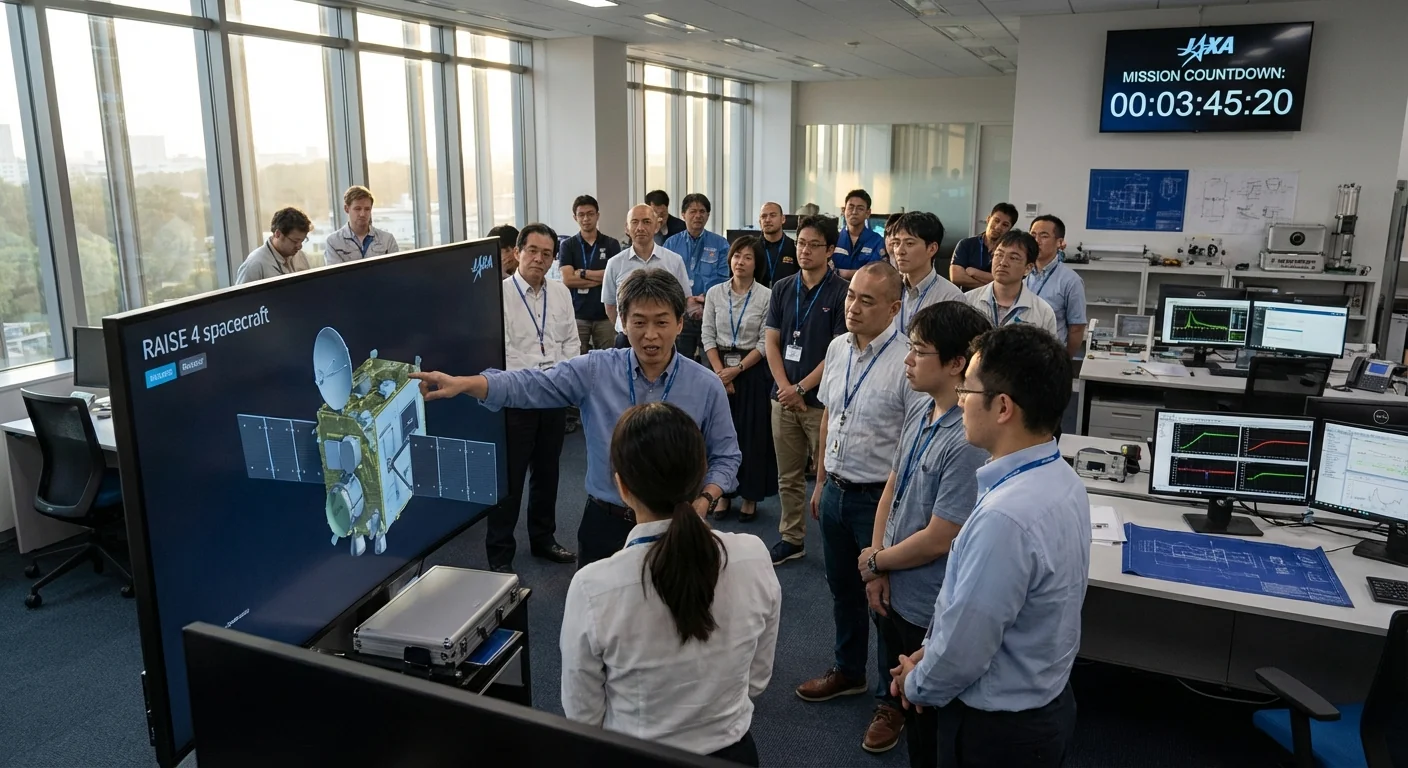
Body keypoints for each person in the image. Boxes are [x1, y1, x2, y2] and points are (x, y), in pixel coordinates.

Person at [410, 268, 741, 567]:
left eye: (662, 322)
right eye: (639, 322)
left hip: (677, 524)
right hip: (606, 521)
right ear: (623, 322)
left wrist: (705, 499)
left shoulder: (706, 385)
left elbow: (726, 455)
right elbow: (530, 385)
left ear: (680, 324)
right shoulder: (596, 370)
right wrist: (467, 384)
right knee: (596, 609)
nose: (650, 334)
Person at [890, 324, 1089, 768]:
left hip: (998, 731)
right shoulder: (1061, 477)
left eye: (967, 389)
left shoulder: (1005, 518)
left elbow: (966, 651)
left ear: (1002, 407)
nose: (960, 400)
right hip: (1043, 706)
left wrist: (915, 683)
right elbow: (975, 620)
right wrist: (931, 654)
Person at [560, 401, 781, 765]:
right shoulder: (754, 556)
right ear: (703, 474)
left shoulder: (593, 586)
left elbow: (583, 714)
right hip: (735, 754)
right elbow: (756, 680)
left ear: (621, 486)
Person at [858, 302, 993, 768]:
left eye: (920, 350)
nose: (908, 359)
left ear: (957, 363)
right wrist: (877, 561)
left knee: (930, 725)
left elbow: (940, 537)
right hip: (893, 581)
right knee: (902, 693)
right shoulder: (920, 408)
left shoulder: (968, 438)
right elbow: (892, 486)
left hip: (928, 604)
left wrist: (876, 562)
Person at [796, 261, 914, 756]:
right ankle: (849, 671)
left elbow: (911, 447)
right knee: (842, 588)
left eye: (867, 300)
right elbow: (829, 416)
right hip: (837, 491)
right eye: (851, 297)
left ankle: (893, 700)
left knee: (885, 603)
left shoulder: (908, 361)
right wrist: (821, 480)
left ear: (893, 307)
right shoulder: (838, 348)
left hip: (878, 500)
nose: (854, 307)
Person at [485, 223, 579, 572]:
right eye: (533, 251)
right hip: (517, 398)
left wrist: (559, 379)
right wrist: (534, 379)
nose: (539, 258)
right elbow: (502, 350)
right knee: (509, 481)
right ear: (517, 252)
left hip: (553, 396)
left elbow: (570, 342)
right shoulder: (499, 294)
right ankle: (500, 555)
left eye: (547, 253)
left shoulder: (561, 293)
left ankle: (543, 538)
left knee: (547, 472)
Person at [763, 214, 849, 566]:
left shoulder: (842, 292)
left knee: (829, 477)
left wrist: (800, 388)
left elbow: (838, 350)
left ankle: (835, 544)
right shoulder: (783, 287)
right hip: (783, 398)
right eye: (801, 243)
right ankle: (792, 537)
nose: (805, 250)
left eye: (814, 245)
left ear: (830, 250)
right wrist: (786, 388)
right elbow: (771, 341)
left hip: (820, 402)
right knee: (788, 476)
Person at [701, 237, 776, 523]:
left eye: (747, 257)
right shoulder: (715, 293)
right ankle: (722, 493)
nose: (740, 262)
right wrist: (722, 373)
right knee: (719, 435)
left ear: (757, 264)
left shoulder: (766, 296)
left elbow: (764, 342)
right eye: (736, 256)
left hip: (751, 370)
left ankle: (749, 496)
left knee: (752, 436)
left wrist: (737, 370)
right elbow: (707, 335)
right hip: (718, 369)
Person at [601, 204, 692, 349]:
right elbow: (610, 306)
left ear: (657, 226)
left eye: (646, 222)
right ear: (627, 228)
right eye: (634, 222)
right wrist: (629, 327)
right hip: (626, 339)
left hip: (664, 336)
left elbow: (684, 300)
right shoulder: (615, 263)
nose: (640, 228)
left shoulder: (674, 261)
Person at [665, 193, 731, 360]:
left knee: (711, 364)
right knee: (679, 361)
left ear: (708, 215)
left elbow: (723, 277)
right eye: (693, 211)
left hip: (710, 312)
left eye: (702, 211)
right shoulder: (671, 244)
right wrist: (686, 301)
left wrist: (704, 299)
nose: (698, 216)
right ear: (683, 214)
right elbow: (665, 278)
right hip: (680, 312)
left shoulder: (721, 244)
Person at [559, 194, 623, 354]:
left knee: (607, 359)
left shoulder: (611, 244)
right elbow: (567, 279)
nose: (586, 219)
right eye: (581, 215)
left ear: (597, 215)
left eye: (590, 214)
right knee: (576, 359)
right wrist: (602, 278)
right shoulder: (568, 245)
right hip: (577, 314)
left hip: (605, 315)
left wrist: (582, 273)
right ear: (575, 217)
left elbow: (614, 277)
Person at [964, 230, 1059, 336]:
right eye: (999, 255)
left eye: (1013, 258)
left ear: (1028, 268)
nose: (1003, 263)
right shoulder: (967, 301)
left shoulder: (1043, 312)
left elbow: (1048, 347)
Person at [889, 212, 964, 335]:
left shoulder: (950, 298)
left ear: (932, 249)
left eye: (909, 243)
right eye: (896, 243)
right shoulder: (889, 289)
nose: (899, 251)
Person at [1026, 215, 1087, 358]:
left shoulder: (1071, 281)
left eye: (1044, 236)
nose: (1036, 241)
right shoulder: (1022, 273)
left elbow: (1077, 328)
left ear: (1059, 242)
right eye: (1033, 235)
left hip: (1050, 358)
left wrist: (1064, 361)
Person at [949, 203, 1017, 291]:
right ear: (988, 219)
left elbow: (1008, 281)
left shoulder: (1010, 252)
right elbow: (956, 277)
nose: (998, 227)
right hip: (967, 297)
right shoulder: (966, 244)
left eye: (1005, 225)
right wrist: (989, 288)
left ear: (1010, 229)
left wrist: (973, 272)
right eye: (996, 220)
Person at [235, 207, 312, 284]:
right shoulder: (254, 265)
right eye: (295, 241)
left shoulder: (300, 256)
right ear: (278, 234)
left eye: (302, 241)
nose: (299, 246)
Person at [324, 186, 399, 264]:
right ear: (346, 209)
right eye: (357, 209)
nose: (362, 214)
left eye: (367, 209)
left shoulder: (387, 240)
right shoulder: (333, 242)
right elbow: (336, 272)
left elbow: (396, 269)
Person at [833, 189, 886, 279]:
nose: (854, 212)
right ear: (843, 210)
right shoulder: (834, 238)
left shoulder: (877, 241)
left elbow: (876, 272)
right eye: (851, 207)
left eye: (860, 208)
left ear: (868, 213)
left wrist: (842, 273)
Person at [756, 201, 798, 287]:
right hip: (758, 294)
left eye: (773, 215)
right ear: (760, 222)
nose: (767, 220)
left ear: (783, 219)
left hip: (787, 294)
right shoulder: (752, 248)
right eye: (763, 216)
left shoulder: (795, 248)